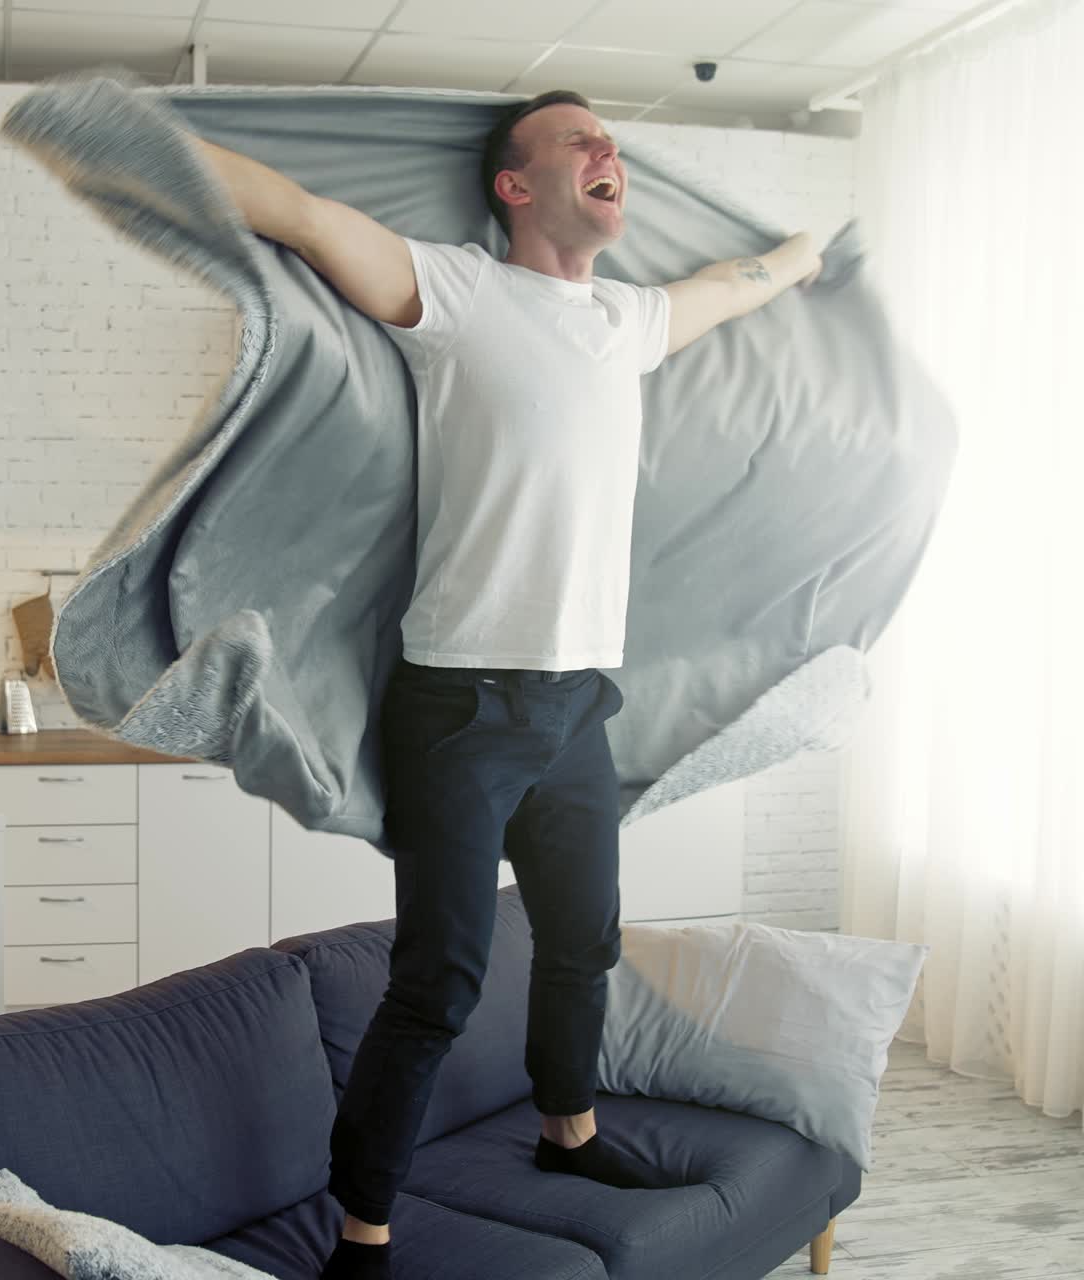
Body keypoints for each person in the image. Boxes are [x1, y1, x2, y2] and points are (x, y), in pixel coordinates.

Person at [186, 89, 821, 1280]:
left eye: (613, 145)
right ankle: (363, 1234)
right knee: (439, 981)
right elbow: (299, 214)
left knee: (583, 943)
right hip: (463, 703)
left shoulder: (626, 320)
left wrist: (806, 253)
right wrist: (155, 146)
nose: (607, 154)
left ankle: (565, 1132)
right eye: (580, 141)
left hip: (578, 700)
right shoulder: (459, 294)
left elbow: (734, 286)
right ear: (514, 187)